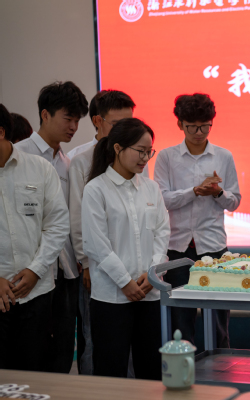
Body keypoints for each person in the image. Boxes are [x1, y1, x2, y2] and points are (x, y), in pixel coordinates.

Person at [82, 118, 169, 379]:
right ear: (118, 148)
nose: (145, 158)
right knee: (111, 370)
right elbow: (96, 244)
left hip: (149, 293)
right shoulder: (96, 189)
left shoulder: (151, 188)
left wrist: (153, 274)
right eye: (140, 151)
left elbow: (162, 232)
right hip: (112, 297)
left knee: (151, 370)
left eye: (149, 152)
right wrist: (125, 282)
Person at [154, 93, 240, 348]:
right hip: (178, 248)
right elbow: (162, 200)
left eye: (205, 126)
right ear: (180, 124)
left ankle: (221, 365)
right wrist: (194, 191)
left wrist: (218, 193)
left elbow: (235, 201)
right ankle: (184, 366)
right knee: (181, 320)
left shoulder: (223, 156)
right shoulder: (166, 157)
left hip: (214, 246)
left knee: (219, 319)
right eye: (192, 126)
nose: (199, 132)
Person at [15, 81, 88, 373]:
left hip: (65, 268)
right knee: (30, 351)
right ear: (45, 115)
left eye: (77, 121)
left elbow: (69, 218)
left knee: (63, 349)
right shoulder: (18, 156)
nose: (73, 127)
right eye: (68, 119)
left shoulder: (68, 163)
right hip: (28, 269)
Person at [68, 89, 136, 375]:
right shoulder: (80, 160)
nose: (125, 130)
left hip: (131, 265)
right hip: (96, 265)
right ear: (97, 121)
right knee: (94, 337)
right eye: (117, 124)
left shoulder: (136, 155)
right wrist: (85, 262)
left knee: (130, 339)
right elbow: (77, 218)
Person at [0, 103, 70, 371]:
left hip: (37, 291)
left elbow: (57, 225)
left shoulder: (39, 168)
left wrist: (35, 270)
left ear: (1, 132)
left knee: (35, 371)